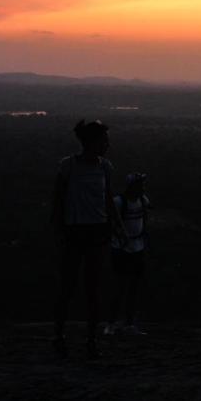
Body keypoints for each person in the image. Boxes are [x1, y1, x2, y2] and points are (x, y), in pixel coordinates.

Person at [51, 120, 125, 358]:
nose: (108, 145)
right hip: (75, 231)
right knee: (68, 286)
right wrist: (59, 230)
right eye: (104, 140)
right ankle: (59, 335)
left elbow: (107, 198)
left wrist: (118, 227)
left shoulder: (105, 167)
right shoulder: (68, 166)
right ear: (91, 142)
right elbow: (58, 200)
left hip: (97, 231)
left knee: (93, 288)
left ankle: (91, 339)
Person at [105, 173, 151, 335]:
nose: (143, 188)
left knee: (133, 287)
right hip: (122, 249)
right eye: (140, 185)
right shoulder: (119, 202)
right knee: (120, 287)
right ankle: (111, 323)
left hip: (137, 248)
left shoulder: (143, 201)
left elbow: (144, 221)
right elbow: (110, 223)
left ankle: (128, 323)